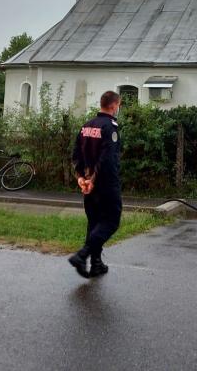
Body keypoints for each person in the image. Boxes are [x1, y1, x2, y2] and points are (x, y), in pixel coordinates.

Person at [68, 91, 123, 279]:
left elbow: (76, 155)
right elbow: (107, 159)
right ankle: (82, 255)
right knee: (111, 221)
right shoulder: (110, 127)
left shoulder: (87, 126)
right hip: (105, 183)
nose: (118, 109)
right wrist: (93, 180)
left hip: (89, 183)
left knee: (95, 222)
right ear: (114, 105)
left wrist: (81, 178)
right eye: (118, 106)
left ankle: (96, 263)